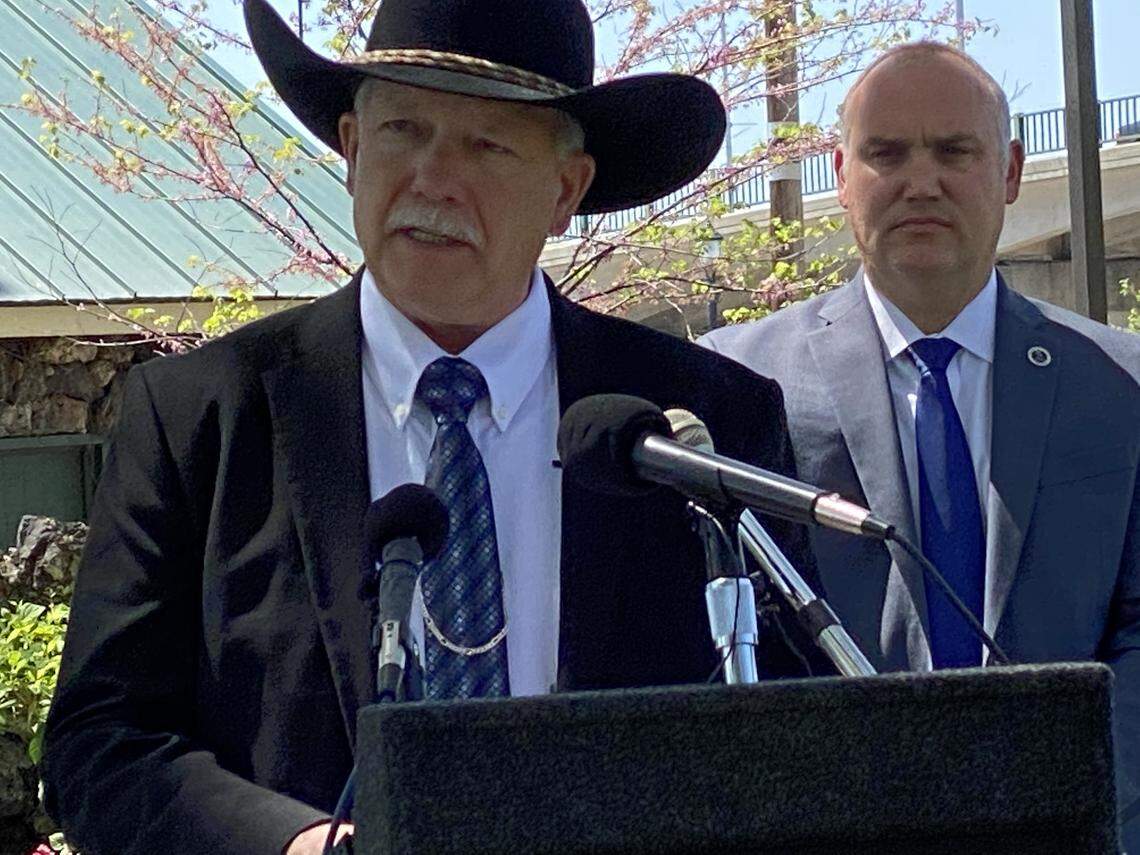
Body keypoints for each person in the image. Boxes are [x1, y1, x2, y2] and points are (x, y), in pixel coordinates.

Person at [40, 0, 826, 853]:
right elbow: (100, 743)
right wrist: (298, 847)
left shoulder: (698, 426)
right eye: (403, 130)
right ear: (348, 149)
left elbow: (801, 739)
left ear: (567, 191)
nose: (433, 178)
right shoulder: (203, 418)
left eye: (486, 144)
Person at [702, 42, 1140, 847]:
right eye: (887, 154)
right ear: (842, 173)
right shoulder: (737, 382)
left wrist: (1069, 809)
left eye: (953, 151)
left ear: (1009, 172)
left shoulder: (1123, 389)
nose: (921, 181)